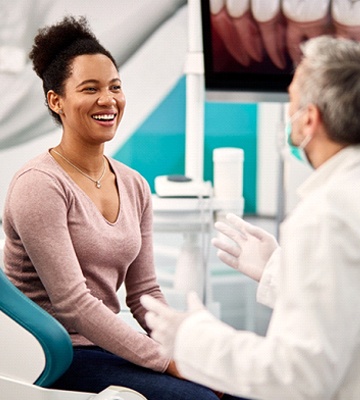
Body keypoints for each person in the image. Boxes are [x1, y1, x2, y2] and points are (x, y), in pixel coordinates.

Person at [2, 15, 243, 400]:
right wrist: (167, 361)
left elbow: (144, 291)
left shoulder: (133, 184)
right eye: (90, 88)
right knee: (200, 398)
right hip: (55, 355)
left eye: (115, 87)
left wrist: (186, 345)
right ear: (56, 100)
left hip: (104, 345)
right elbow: (74, 305)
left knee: (243, 389)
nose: (108, 99)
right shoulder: (38, 186)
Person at [141, 35, 360, 399]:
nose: (287, 116)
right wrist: (278, 270)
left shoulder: (325, 215)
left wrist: (192, 338)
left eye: (291, 101)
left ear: (309, 120)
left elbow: (297, 376)